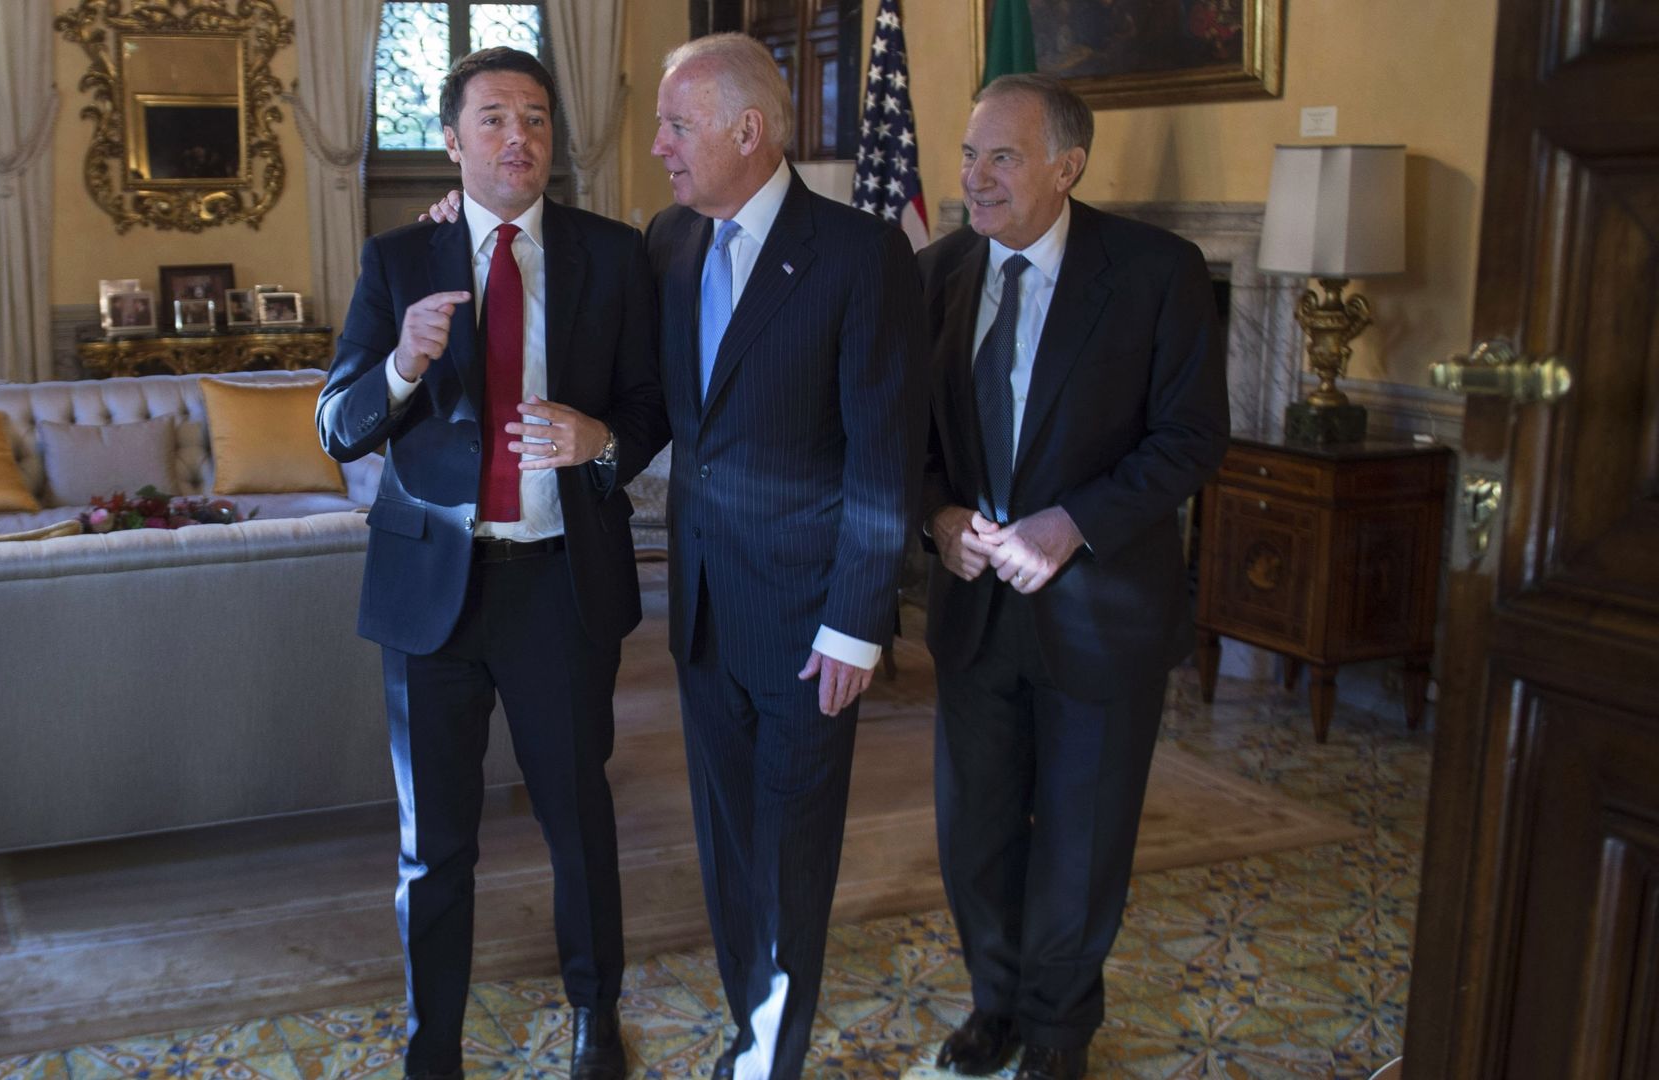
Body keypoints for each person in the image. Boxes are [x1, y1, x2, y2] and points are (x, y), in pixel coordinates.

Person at [316, 47, 667, 1080]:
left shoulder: (613, 254)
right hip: (433, 595)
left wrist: (598, 440)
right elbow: (339, 427)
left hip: (561, 584)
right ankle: (435, 1043)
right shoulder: (396, 263)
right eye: (494, 118)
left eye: (537, 119)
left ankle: (597, 1019)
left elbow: (651, 409)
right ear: (453, 139)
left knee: (578, 820)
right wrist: (402, 363)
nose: (519, 137)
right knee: (437, 845)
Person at [917, 74, 1228, 1079]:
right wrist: (940, 518)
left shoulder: (1155, 272)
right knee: (977, 832)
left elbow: (1191, 439)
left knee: (1081, 841)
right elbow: (902, 439)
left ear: (1068, 165)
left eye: (1001, 156)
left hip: (1101, 610)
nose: (976, 176)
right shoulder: (935, 275)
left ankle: (1058, 1030)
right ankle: (995, 1005)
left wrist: (1073, 523)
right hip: (974, 609)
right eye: (968, 155)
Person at [646, 33, 924, 1080]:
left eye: (678, 126)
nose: (662, 147)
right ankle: (747, 1021)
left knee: (793, 849)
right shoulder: (669, 240)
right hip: (705, 612)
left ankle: (772, 1053)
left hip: (813, 622)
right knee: (726, 845)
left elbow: (883, 454)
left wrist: (858, 620)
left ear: (746, 131)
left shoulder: (858, 254)